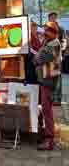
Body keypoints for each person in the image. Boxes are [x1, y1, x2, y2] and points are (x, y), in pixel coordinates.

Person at [34, 22, 62, 150]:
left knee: (47, 110)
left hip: (48, 82)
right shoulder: (51, 43)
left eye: (47, 31)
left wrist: (37, 55)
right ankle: (46, 134)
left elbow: (38, 58)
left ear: (53, 32)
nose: (44, 33)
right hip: (47, 81)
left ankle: (49, 139)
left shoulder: (53, 45)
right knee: (45, 109)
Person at [48, 12, 66, 104]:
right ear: (49, 19)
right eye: (51, 18)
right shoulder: (46, 29)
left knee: (57, 77)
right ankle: (51, 97)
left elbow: (64, 42)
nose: (53, 19)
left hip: (57, 58)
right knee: (49, 77)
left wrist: (60, 50)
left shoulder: (61, 29)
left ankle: (57, 99)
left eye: (55, 18)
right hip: (48, 58)